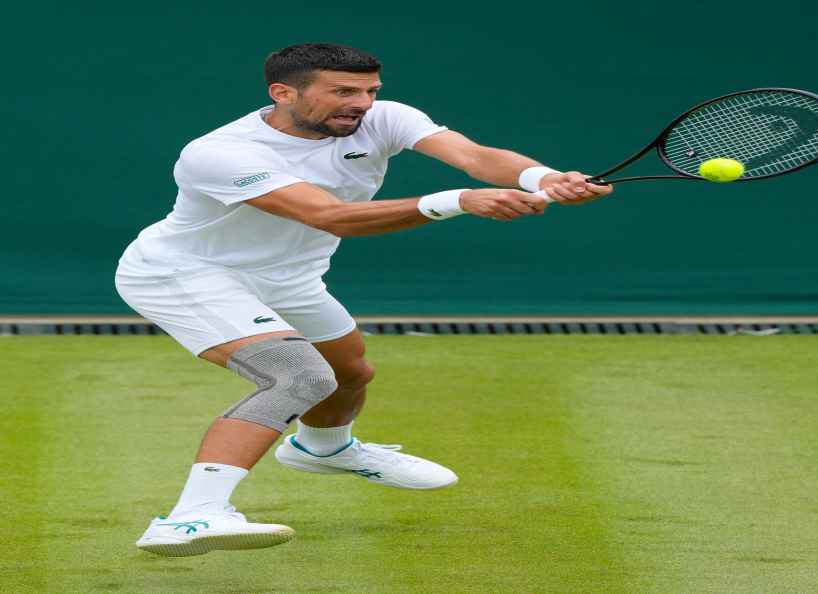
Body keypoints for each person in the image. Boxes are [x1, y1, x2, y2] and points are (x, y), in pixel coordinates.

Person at [115, 42, 612, 557]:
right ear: (284, 93)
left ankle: (323, 449)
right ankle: (190, 518)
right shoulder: (221, 153)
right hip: (187, 274)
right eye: (344, 91)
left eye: (371, 90)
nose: (363, 103)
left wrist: (543, 178)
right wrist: (457, 202)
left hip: (292, 276)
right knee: (299, 375)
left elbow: (475, 156)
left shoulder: (384, 118)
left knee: (351, 373)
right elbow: (331, 217)